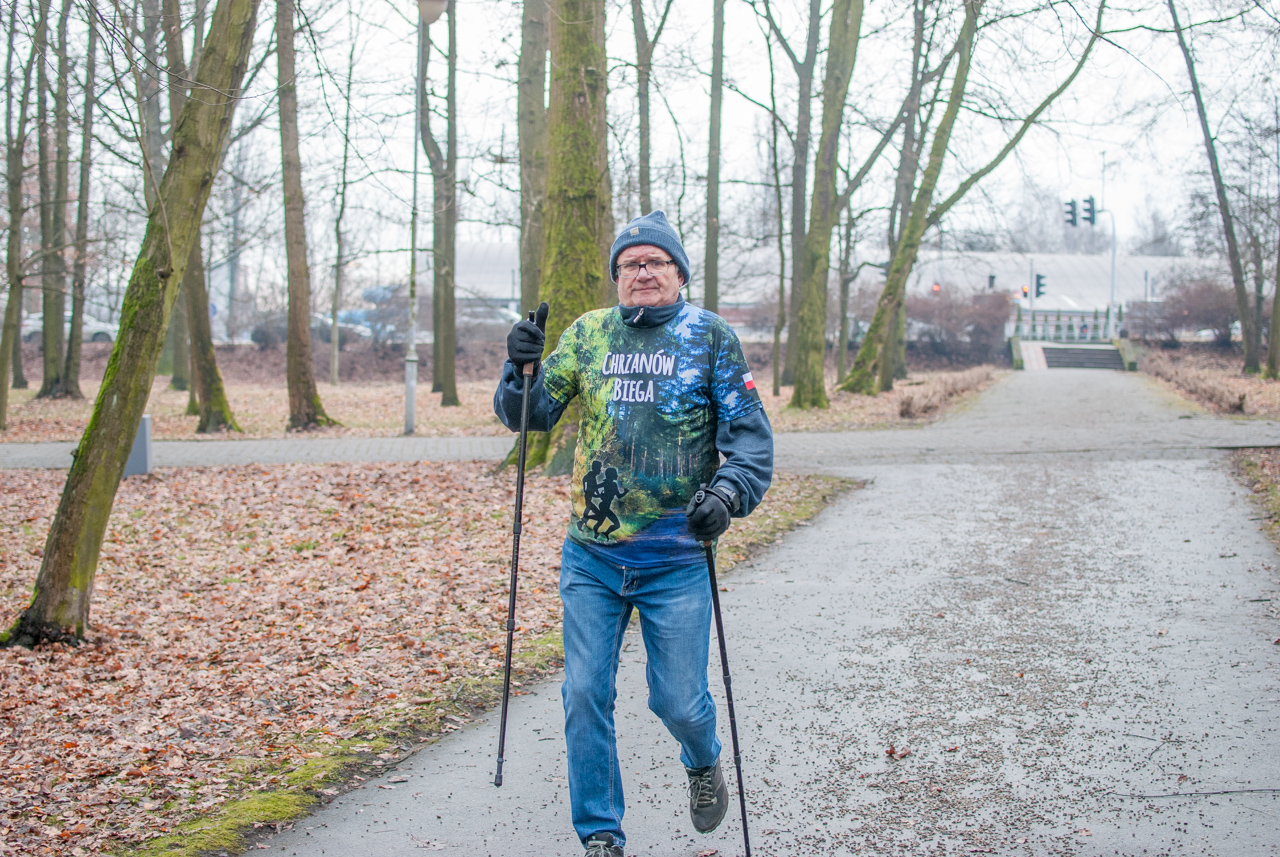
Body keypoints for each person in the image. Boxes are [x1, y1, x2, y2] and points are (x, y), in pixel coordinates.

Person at [494, 210, 773, 857]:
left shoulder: (710, 338)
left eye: (655, 262)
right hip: (591, 557)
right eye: (629, 264)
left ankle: (702, 759)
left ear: (678, 273)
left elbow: (752, 444)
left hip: (676, 558)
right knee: (584, 692)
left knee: (678, 701)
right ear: (617, 277)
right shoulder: (589, 335)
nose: (642, 273)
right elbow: (528, 414)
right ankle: (600, 835)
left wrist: (727, 495)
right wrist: (519, 366)